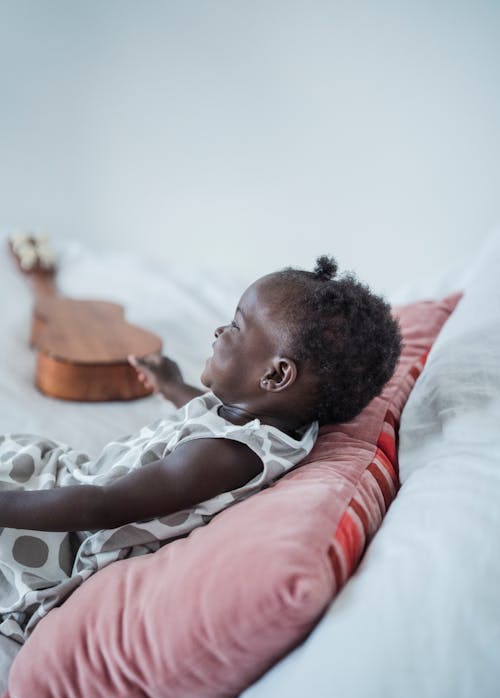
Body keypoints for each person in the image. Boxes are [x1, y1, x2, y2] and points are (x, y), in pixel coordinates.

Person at [0, 255, 401, 642]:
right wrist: (173, 386)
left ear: (276, 375)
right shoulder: (269, 422)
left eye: (236, 325)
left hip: (62, 536)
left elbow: (101, 506)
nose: (219, 332)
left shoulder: (223, 457)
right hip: (77, 485)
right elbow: (217, 414)